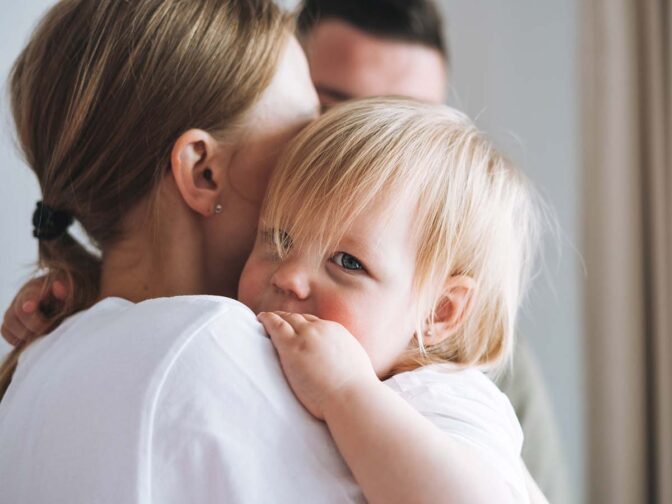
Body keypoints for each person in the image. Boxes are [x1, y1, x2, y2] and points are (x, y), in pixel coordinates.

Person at [0, 1, 542, 503]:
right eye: (306, 124)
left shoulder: (46, 360)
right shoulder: (213, 344)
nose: (328, 151)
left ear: (442, 311)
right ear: (204, 171)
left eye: (348, 261)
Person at [296, 1, 569, 500]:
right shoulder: (242, 285)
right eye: (335, 112)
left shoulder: (474, 375)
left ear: (442, 312)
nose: (367, 155)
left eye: (407, 127)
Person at [244, 97, 548, 503]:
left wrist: (345, 391)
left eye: (348, 262)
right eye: (280, 239)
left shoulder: (445, 397)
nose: (289, 276)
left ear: (439, 312)